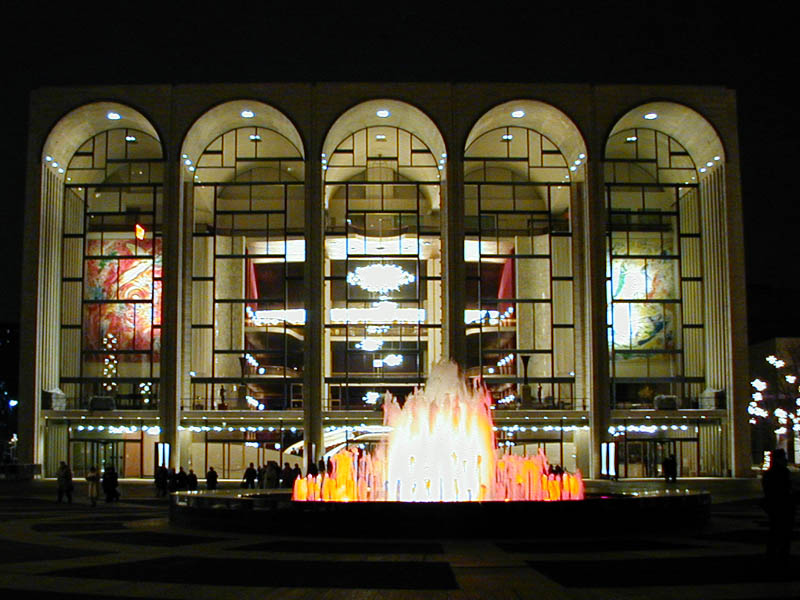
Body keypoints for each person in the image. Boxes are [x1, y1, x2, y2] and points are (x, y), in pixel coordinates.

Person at [762, 448, 795, 561]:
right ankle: (781, 557)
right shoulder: (782, 472)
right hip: (782, 505)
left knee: (775, 532)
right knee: (783, 532)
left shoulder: (768, 474)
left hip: (775, 506)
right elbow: (787, 488)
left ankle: (773, 556)